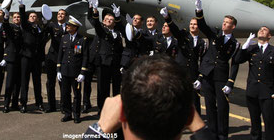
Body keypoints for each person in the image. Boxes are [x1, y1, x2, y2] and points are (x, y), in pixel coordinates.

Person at [84, 55, 213, 140]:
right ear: (190, 116)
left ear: (121, 113)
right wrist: (200, 128)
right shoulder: (189, 115)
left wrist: (101, 127)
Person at [194, 0, 240, 140]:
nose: (224, 24)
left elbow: (235, 63)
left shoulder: (235, 43)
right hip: (208, 75)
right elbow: (202, 25)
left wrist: (230, 82)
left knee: (222, 107)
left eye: (227, 23)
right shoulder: (214, 35)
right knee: (209, 105)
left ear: (233, 27)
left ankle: (222, 135)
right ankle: (212, 134)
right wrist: (199, 10)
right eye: (224, 22)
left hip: (221, 76)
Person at [235, 27, 274, 140]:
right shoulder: (251, 49)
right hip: (252, 91)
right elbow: (237, 60)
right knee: (254, 120)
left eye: (265, 30)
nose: (261, 30)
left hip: (266, 91)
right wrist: (245, 46)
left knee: (268, 120)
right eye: (260, 30)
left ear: (269, 36)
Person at [160, 7, 206, 114]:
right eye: (191, 24)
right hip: (180, 73)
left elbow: (203, 61)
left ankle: (196, 124)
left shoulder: (202, 42)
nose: (192, 26)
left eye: (195, 24)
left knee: (195, 101)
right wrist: (167, 17)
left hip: (193, 74)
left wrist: (200, 78)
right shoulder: (183, 36)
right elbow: (174, 29)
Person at [87, 0, 123, 113]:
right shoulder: (102, 31)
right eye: (106, 19)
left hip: (115, 63)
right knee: (103, 87)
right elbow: (96, 24)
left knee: (117, 87)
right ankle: (102, 108)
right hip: (103, 62)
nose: (108, 20)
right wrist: (95, 10)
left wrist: (117, 16)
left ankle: (116, 107)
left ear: (114, 23)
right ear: (103, 21)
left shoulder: (117, 32)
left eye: (111, 20)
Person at [57, 15, 89, 124]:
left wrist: (82, 72)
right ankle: (67, 113)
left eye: (70, 25)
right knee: (65, 93)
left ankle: (76, 114)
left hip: (76, 72)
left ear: (75, 27)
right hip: (65, 71)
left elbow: (85, 56)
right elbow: (60, 54)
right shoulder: (64, 38)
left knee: (76, 95)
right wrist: (58, 70)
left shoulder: (82, 39)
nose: (67, 27)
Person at [16, 0, 45, 113]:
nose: (33, 17)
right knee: (24, 81)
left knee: (37, 81)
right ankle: (23, 103)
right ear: (28, 19)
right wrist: (22, 6)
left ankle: (39, 103)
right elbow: (22, 18)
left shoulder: (40, 29)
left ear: (37, 19)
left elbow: (42, 44)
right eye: (31, 16)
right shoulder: (26, 27)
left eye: (35, 16)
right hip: (26, 58)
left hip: (37, 59)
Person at [43, 8, 67, 113]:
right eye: (58, 14)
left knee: (63, 84)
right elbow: (44, 33)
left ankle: (63, 106)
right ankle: (51, 105)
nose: (60, 15)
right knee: (50, 83)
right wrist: (45, 23)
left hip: (64, 58)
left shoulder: (69, 27)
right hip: (52, 58)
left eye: (62, 14)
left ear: (65, 17)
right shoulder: (52, 26)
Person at [3, 11, 23, 113]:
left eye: (18, 17)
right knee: (9, 83)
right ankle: (6, 104)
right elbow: (5, 26)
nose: (16, 19)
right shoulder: (10, 27)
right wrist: (6, 17)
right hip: (11, 58)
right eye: (14, 17)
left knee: (18, 84)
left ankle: (15, 104)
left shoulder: (23, 28)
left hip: (21, 59)